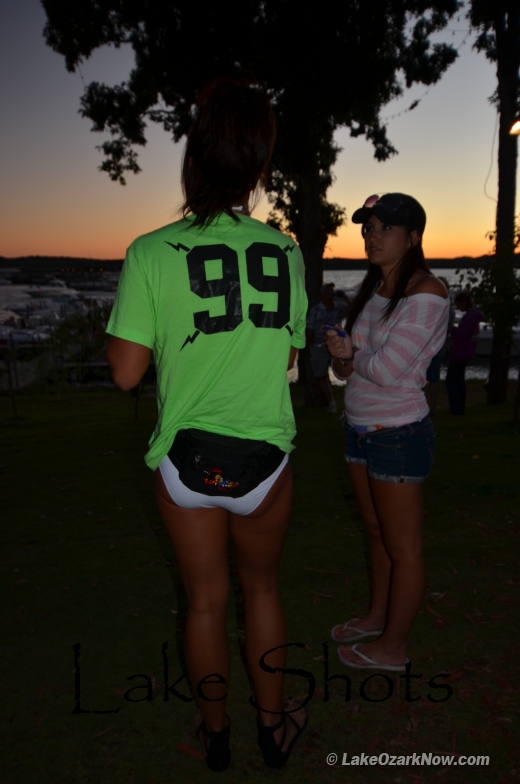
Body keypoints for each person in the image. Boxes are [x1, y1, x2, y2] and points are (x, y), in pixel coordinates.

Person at [106, 79, 308, 771]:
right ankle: (273, 730)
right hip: (264, 463)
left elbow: (126, 373)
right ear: (257, 166)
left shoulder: (149, 251)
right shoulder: (285, 251)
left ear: (194, 156)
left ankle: (216, 733)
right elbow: (288, 357)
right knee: (262, 590)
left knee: (203, 603)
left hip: (185, 463)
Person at [325, 193, 449, 672]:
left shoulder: (427, 292)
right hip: (359, 428)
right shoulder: (374, 289)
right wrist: (342, 357)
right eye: (368, 228)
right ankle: (377, 616)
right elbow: (346, 373)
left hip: (397, 434)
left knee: (404, 547)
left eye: (385, 228)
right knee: (376, 532)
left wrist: (351, 356)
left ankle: (393, 648)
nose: (372, 236)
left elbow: (389, 369)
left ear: (413, 237)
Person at [305, 283, 348, 413]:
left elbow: (354, 310)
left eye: (332, 290)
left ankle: (350, 400)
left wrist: (344, 297)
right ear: (322, 294)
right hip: (320, 347)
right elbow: (309, 329)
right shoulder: (316, 310)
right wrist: (313, 346)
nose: (331, 292)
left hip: (337, 346)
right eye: (328, 290)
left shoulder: (339, 307)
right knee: (321, 375)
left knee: (346, 372)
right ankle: (331, 403)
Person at [445, 292, 483, 415]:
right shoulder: (472, 316)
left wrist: (452, 329)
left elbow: (461, 336)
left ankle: (456, 408)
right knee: (459, 380)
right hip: (465, 351)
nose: (458, 307)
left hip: (460, 353)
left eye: (458, 304)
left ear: (464, 302)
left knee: (452, 380)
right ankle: (459, 407)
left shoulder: (469, 317)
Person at [425, 276, 455, 415]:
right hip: (438, 347)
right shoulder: (449, 308)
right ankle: (431, 406)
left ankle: (428, 406)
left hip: (427, 348)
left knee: (423, 377)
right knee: (433, 378)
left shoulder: (432, 306)